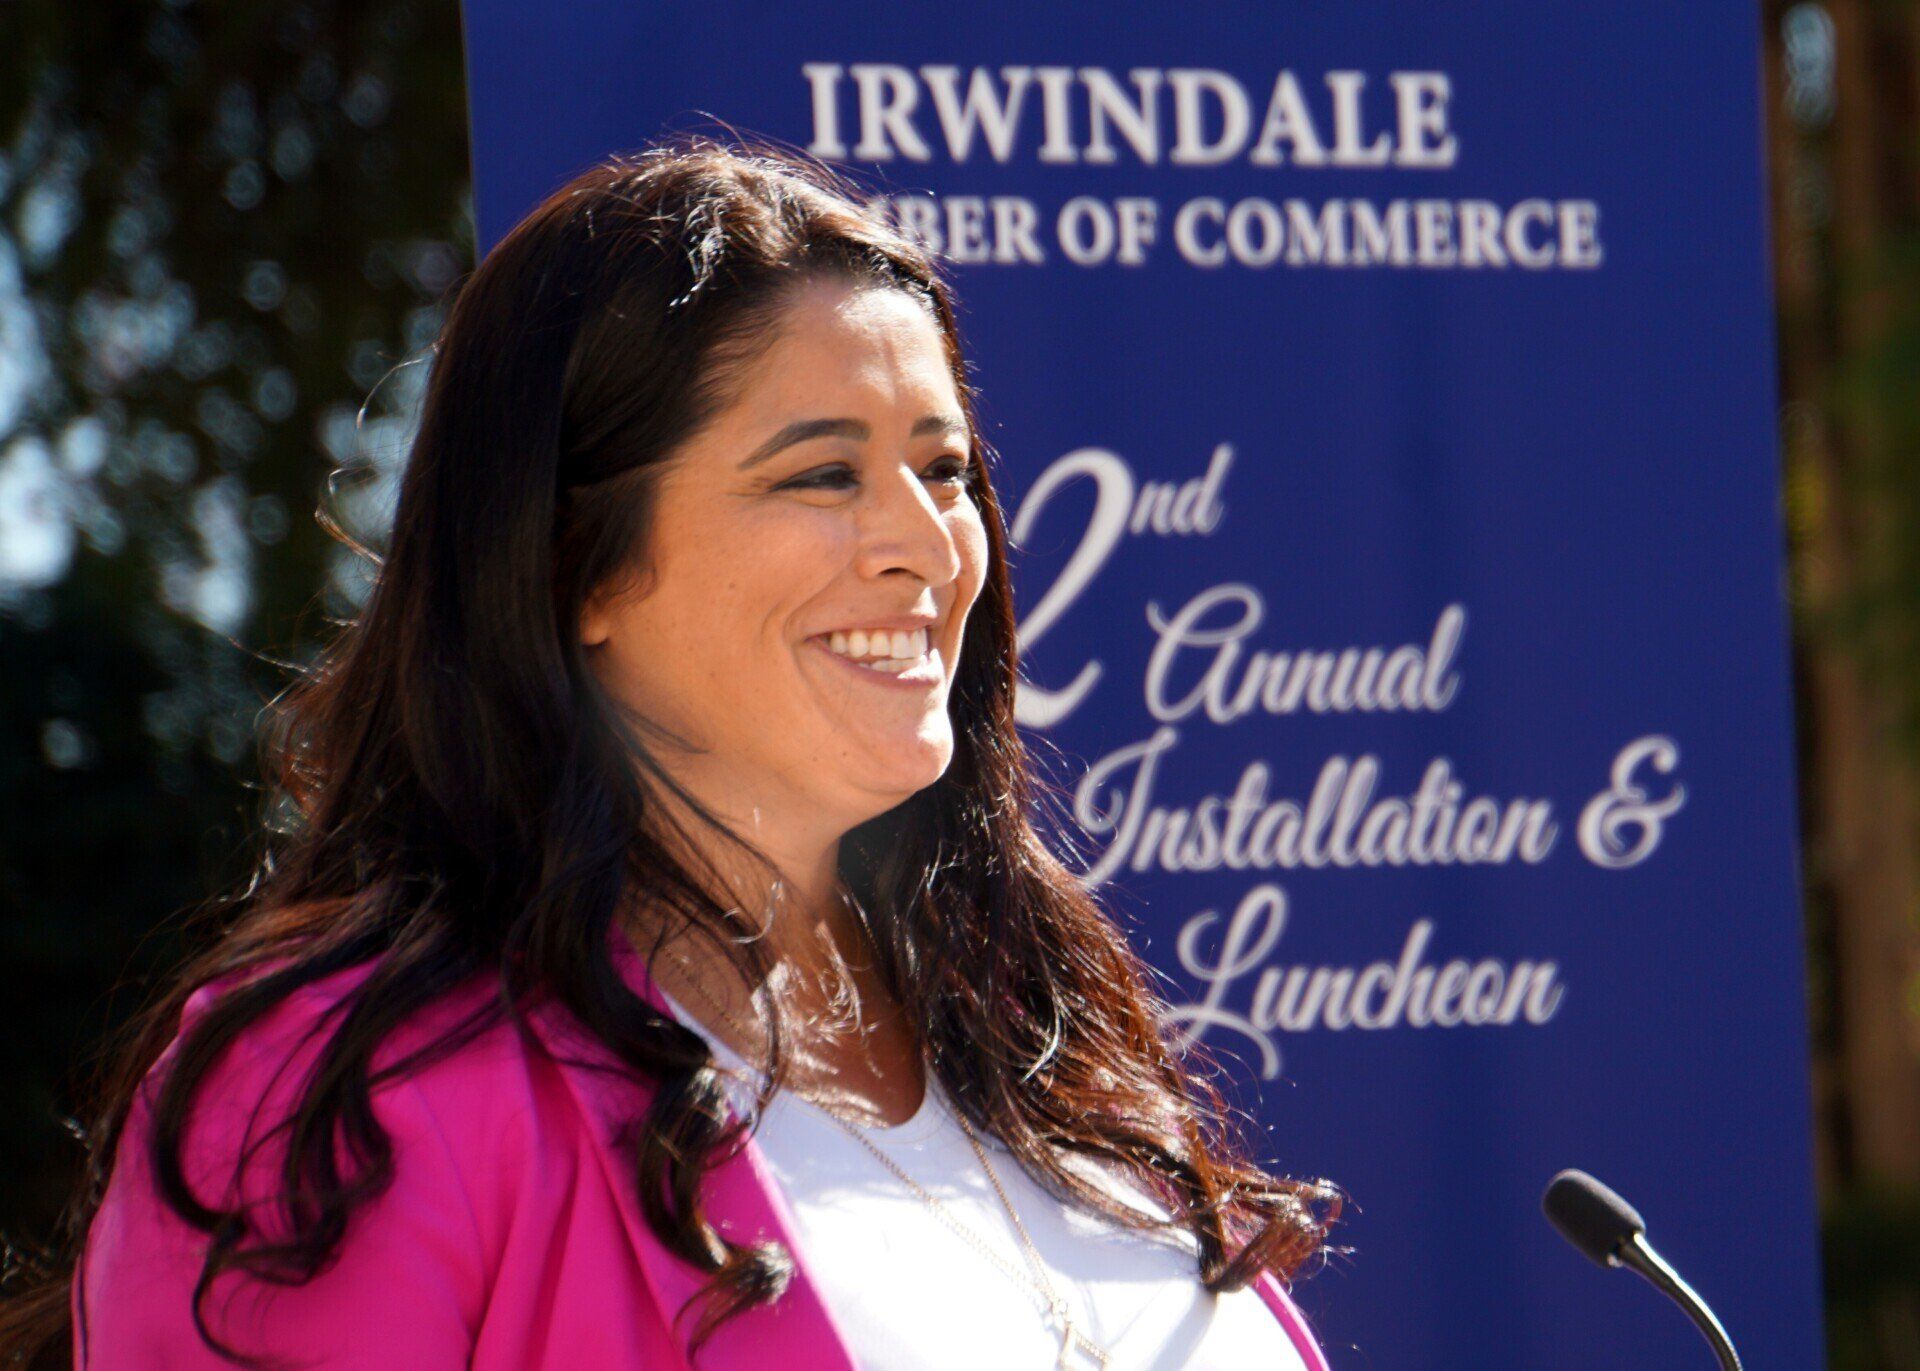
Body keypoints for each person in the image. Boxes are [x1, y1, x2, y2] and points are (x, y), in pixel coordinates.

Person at [0, 134, 1341, 1370]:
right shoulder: (348, 1100)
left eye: (942, 468)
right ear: (577, 567)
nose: (931, 547)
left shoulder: (1045, 1054)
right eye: (823, 474)